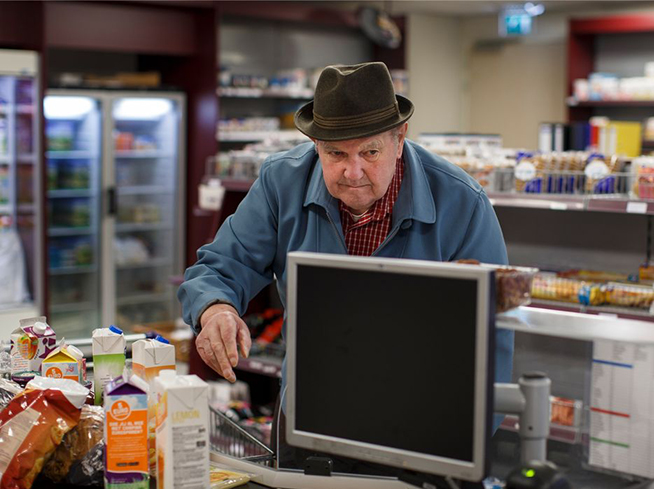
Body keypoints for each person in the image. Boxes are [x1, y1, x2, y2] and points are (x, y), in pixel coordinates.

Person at [178, 61, 513, 468]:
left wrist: (461, 443)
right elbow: (218, 267)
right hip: (308, 414)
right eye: (335, 153)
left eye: (370, 151)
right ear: (316, 144)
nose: (352, 172)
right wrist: (215, 307)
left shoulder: (462, 202)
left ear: (400, 137)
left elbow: (492, 342)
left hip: (421, 425)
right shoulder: (281, 183)